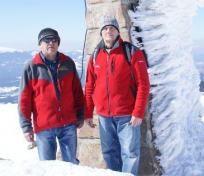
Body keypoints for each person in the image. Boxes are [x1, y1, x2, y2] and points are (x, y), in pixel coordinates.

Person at [85, 15, 150, 175]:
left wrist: (138, 112)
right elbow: (88, 86)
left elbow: (144, 84)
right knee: (109, 153)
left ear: (117, 32)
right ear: (101, 33)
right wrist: (88, 112)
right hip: (104, 117)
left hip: (127, 116)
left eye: (112, 28)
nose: (108, 31)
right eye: (105, 28)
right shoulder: (95, 55)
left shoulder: (131, 52)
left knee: (130, 154)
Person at [18, 28, 84, 164]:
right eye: (46, 40)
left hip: (68, 124)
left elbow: (77, 92)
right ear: (40, 44)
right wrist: (26, 127)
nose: (51, 43)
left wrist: (80, 115)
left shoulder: (67, 62)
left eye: (54, 40)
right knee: (47, 167)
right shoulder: (31, 67)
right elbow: (24, 100)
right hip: (44, 126)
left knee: (71, 164)